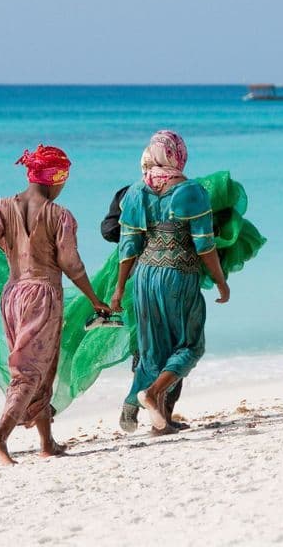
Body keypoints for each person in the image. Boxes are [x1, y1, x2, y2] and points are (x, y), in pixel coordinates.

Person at [0, 145, 110, 465]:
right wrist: (95, 299)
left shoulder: (0, 208)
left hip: (12, 296)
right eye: (63, 179)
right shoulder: (60, 216)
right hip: (43, 294)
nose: (63, 186)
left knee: (39, 367)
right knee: (29, 372)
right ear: (54, 177)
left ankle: (47, 441)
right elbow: (71, 264)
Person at [110, 130, 230, 433]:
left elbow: (128, 246)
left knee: (152, 350)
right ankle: (146, 395)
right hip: (179, 275)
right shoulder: (192, 192)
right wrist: (220, 281)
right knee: (190, 346)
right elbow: (205, 245)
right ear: (178, 154)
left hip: (144, 276)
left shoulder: (136, 192)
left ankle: (147, 414)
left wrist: (120, 288)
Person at [101, 185, 186, 433]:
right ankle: (161, 416)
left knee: (146, 345)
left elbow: (108, 230)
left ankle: (140, 405)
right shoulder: (182, 191)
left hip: (139, 276)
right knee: (178, 345)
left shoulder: (129, 194)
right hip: (174, 276)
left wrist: (133, 233)